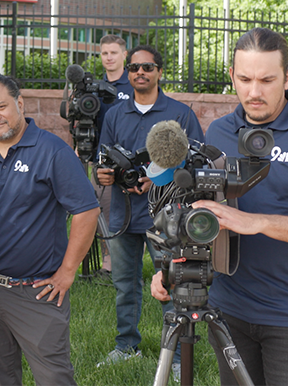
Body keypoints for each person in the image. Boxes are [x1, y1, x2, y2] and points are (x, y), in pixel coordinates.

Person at [151, 27, 288, 386]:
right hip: (227, 308)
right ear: (232, 75)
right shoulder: (218, 132)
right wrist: (172, 267)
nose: (254, 92)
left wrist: (254, 221)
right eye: (244, 79)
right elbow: (201, 211)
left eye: (267, 80)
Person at [0, 74, 100, 385]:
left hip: (35, 291)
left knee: (53, 377)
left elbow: (86, 210)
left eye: (0, 106)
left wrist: (68, 272)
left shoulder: (51, 150)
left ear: (20, 104)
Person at [94, 44, 204, 378]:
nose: (140, 73)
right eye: (134, 68)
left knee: (172, 285)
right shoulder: (114, 114)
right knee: (125, 285)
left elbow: (196, 163)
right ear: (128, 73)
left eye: (147, 67)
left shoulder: (180, 113)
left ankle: (177, 357)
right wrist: (105, 175)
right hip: (123, 213)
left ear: (159, 71)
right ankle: (125, 346)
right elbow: (103, 158)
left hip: (166, 217)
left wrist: (154, 180)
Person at [92, 34, 133, 273]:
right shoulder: (95, 88)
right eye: (105, 53)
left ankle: (126, 260)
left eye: (113, 53)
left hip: (130, 161)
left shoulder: (134, 84)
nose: (109, 57)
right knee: (102, 209)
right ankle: (109, 262)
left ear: (124, 55)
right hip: (101, 159)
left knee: (125, 211)